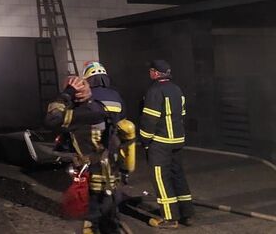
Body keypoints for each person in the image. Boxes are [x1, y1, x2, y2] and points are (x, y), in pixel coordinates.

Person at [45, 71, 135, 234]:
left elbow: (52, 118)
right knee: (108, 220)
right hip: (108, 174)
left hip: (97, 179)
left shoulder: (82, 114)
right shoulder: (97, 108)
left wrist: (65, 95)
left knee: (96, 222)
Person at [138, 59, 194, 229]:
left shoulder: (155, 91)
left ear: (155, 73)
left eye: (150, 71)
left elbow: (150, 119)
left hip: (161, 142)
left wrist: (145, 140)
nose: (149, 73)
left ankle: (170, 218)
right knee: (178, 176)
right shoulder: (177, 89)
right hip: (177, 141)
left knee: (161, 178)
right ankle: (186, 214)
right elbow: (182, 114)